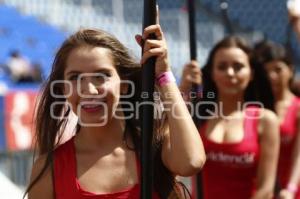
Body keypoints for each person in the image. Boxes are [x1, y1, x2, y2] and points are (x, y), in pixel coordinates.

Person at [24, 18, 206, 199]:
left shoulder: (155, 144)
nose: (89, 90)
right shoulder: (50, 169)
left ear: (125, 85)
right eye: (75, 78)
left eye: (101, 76)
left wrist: (164, 75)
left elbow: (191, 162)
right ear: (63, 89)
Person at [180, 36, 280, 199]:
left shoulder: (265, 120)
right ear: (212, 73)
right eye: (222, 67)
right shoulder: (197, 116)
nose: (230, 73)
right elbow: (168, 146)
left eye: (238, 66)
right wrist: (184, 89)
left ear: (251, 73)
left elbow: (266, 190)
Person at [254, 41, 300, 199]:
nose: (272, 76)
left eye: (278, 69)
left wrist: (291, 189)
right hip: (260, 191)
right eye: (266, 71)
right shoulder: (255, 109)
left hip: (289, 192)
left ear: (290, 70)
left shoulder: (297, 107)